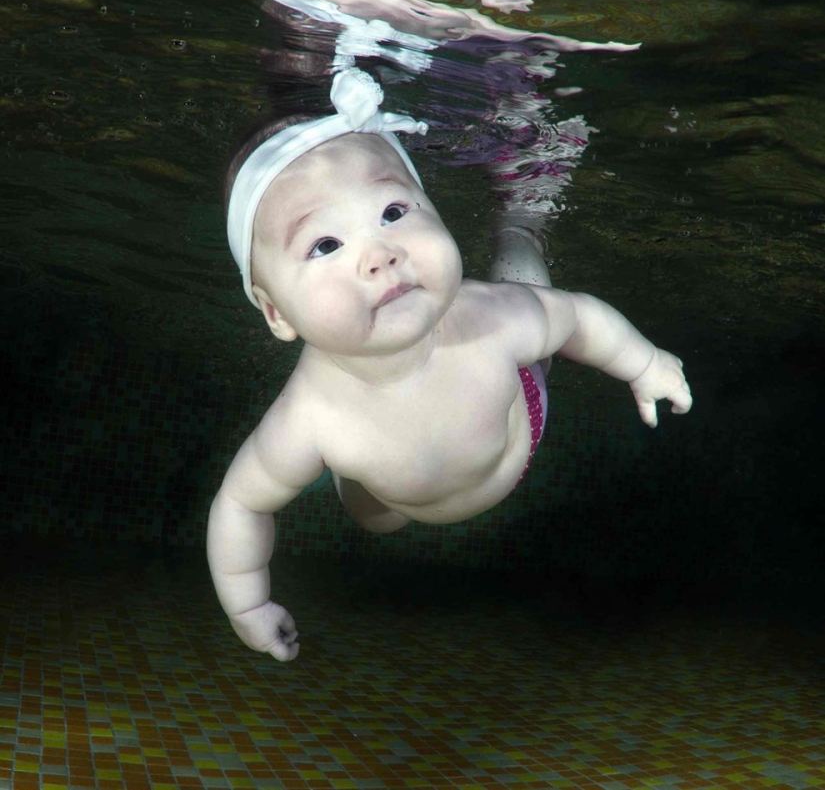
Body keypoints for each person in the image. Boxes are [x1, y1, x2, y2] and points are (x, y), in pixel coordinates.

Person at [207, 68, 693, 662]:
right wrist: (248, 605)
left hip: (523, 422)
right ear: (277, 312)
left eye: (392, 210)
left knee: (526, 279)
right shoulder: (309, 416)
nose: (380, 255)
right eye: (325, 245)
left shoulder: (491, 317)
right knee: (375, 519)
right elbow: (243, 504)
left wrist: (644, 363)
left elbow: (583, 320)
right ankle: (356, 480)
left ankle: (523, 215)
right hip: (396, 499)